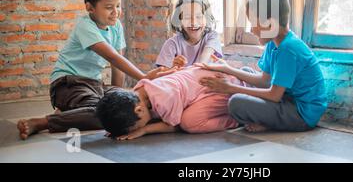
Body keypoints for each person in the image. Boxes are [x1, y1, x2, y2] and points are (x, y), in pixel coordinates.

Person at [17, 0, 174, 140]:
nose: (116, 13)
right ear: (90, 8)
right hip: (68, 84)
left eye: (118, 6)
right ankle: (43, 122)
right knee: (102, 115)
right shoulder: (85, 26)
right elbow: (113, 57)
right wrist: (143, 77)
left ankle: (70, 112)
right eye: (109, 7)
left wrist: (118, 98)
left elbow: (117, 68)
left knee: (130, 102)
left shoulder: (115, 26)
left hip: (95, 85)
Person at [197, 0, 327, 133]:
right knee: (245, 71)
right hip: (286, 99)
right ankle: (268, 120)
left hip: (302, 114)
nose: (251, 30)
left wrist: (230, 88)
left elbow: (274, 95)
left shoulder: (288, 49)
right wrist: (228, 69)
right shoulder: (273, 43)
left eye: (253, 23)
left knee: (236, 102)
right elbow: (264, 80)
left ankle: (269, 122)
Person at [96, 66, 244, 140]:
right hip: (205, 85)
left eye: (135, 126)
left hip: (222, 88)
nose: (136, 129)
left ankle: (237, 119)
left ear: (139, 110)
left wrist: (144, 130)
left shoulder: (163, 98)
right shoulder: (138, 90)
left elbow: (174, 126)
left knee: (188, 123)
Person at [156, 0, 222, 69]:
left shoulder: (212, 37)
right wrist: (172, 68)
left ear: (206, 18)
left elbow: (203, 62)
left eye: (198, 17)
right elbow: (161, 75)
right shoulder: (172, 44)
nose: (193, 23)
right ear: (179, 20)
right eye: (187, 17)